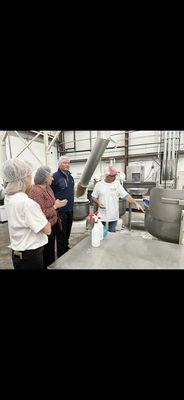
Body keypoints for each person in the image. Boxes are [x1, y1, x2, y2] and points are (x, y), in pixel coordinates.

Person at [1, 159, 51, 270]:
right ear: (24, 179)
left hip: (17, 254)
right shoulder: (27, 203)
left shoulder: (9, 198)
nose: (31, 180)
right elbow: (47, 230)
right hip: (31, 256)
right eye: (30, 176)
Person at [28, 166, 68, 269]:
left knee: (50, 252)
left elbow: (50, 204)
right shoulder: (36, 191)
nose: (53, 178)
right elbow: (39, 214)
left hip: (52, 225)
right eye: (51, 176)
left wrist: (57, 203)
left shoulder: (48, 188)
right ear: (45, 178)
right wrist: (55, 206)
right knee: (46, 254)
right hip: (44, 228)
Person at [92, 165, 144, 232]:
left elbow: (126, 196)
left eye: (115, 175)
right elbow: (94, 196)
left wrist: (136, 203)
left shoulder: (117, 184)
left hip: (113, 214)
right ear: (106, 175)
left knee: (112, 233)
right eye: (112, 176)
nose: (114, 177)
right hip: (102, 214)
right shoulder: (99, 185)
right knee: (100, 233)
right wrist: (99, 203)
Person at [51, 156, 74, 256]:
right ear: (60, 164)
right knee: (61, 233)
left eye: (68, 163)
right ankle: (61, 253)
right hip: (60, 211)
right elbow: (49, 192)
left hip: (70, 209)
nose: (67, 165)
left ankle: (66, 247)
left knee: (68, 231)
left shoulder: (70, 177)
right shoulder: (54, 177)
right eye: (65, 163)